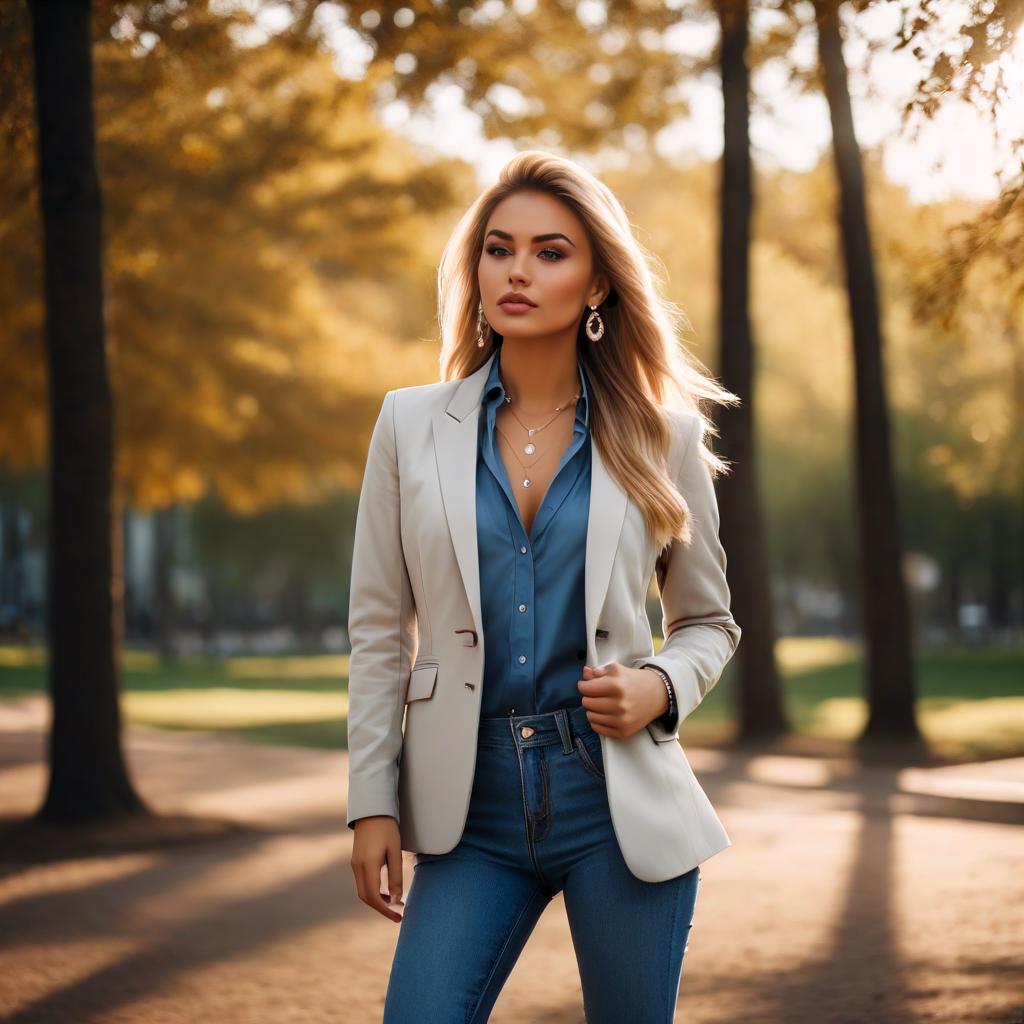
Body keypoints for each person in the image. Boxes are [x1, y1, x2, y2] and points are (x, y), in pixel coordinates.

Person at [347, 150, 742, 1023]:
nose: (517, 270)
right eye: (498, 248)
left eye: (551, 251)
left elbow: (709, 621)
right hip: (470, 802)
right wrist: (370, 799)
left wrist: (660, 685)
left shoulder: (661, 437)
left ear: (598, 285)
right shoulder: (409, 426)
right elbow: (379, 630)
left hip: (617, 800)